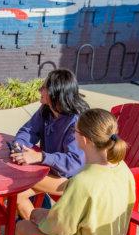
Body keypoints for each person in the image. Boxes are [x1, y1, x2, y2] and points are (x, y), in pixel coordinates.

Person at [0, 108, 136, 235]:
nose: (74, 136)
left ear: (84, 140)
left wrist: (40, 217)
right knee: (40, 216)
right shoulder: (123, 169)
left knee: (23, 227)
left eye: (75, 132)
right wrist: (47, 216)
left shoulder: (83, 182)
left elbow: (60, 228)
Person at [11, 69, 89, 220]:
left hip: (72, 180)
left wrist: (41, 156)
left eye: (44, 87)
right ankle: (37, 226)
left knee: (17, 190)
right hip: (51, 170)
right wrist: (19, 144)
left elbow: (74, 163)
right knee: (17, 187)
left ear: (56, 93)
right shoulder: (47, 109)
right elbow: (28, 130)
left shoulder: (77, 122)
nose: (40, 89)